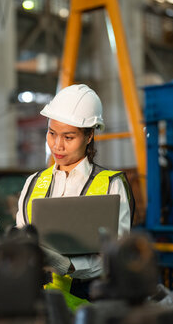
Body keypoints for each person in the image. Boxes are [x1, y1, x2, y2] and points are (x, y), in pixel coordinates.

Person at [15, 84, 134, 306]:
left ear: (89, 136)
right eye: (52, 133)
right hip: (36, 307)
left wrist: (68, 266)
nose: (57, 145)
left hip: (86, 313)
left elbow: (113, 259)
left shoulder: (111, 185)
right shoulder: (33, 183)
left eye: (68, 137)